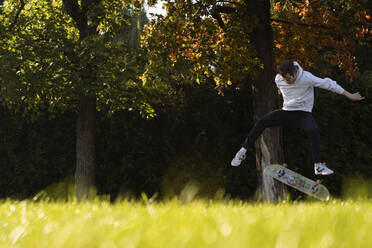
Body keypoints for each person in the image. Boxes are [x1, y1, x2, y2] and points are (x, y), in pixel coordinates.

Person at [231, 60, 365, 175]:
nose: (287, 82)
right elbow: (281, 88)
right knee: (262, 122)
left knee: (313, 130)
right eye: (285, 79)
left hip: (303, 113)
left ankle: (318, 165)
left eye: (289, 79)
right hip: (287, 111)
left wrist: (350, 95)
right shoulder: (278, 79)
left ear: (295, 73)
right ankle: (242, 151)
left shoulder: (307, 77)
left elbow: (329, 84)